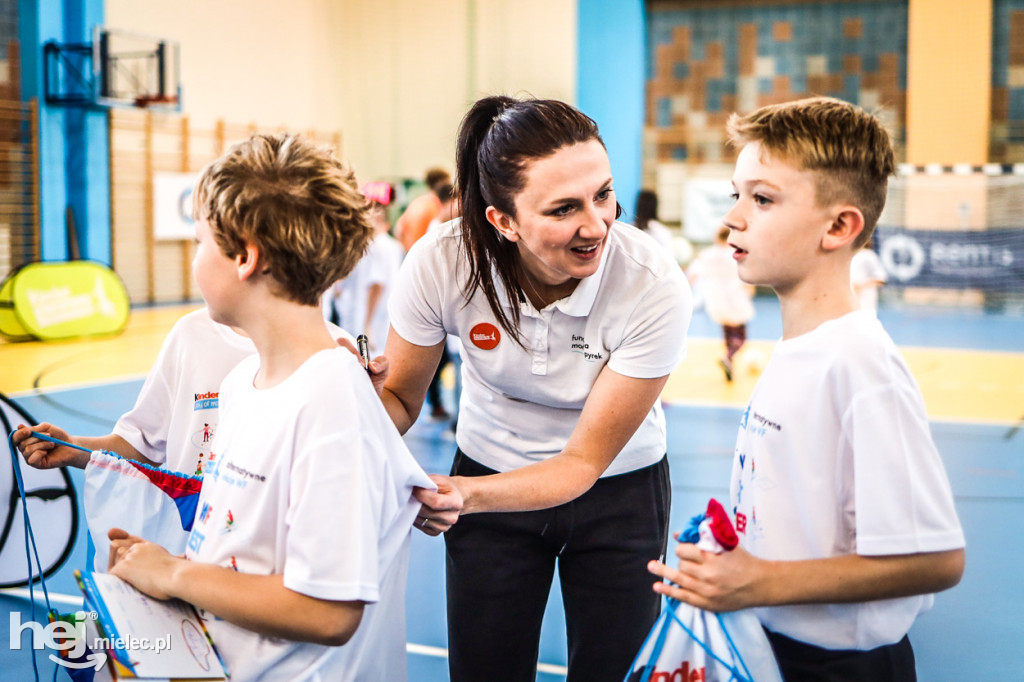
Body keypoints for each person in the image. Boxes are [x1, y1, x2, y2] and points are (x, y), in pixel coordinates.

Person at [647, 97, 965, 681]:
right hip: (767, 643)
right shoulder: (798, 350)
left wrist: (762, 581)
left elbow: (937, 559)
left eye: (762, 199)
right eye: (735, 195)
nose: (733, 219)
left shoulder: (859, 365)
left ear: (840, 226)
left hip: (838, 665)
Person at [97, 133, 432, 681]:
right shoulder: (239, 383)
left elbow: (327, 611)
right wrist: (166, 567)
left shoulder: (331, 403)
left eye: (201, 241)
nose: (195, 256)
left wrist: (173, 578)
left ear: (246, 256)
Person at [383, 95, 693, 682]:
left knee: (614, 670)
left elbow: (580, 464)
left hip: (617, 490)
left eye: (603, 194)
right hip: (489, 471)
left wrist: (465, 497)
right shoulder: (441, 262)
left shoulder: (652, 283)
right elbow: (397, 402)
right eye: (564, 209)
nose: (597, 224)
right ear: (503, 221)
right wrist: (336, 391)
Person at [686, 225, 756, 381]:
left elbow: (694, 274)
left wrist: (688, 289)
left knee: (727, 334)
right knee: (740, 336)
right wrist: (750, 289)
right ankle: (729, 357)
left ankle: (729, 361)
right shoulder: (735, 254)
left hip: (717, 300)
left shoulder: (706, 255)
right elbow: (747, 275)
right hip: (735, 299)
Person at [396, 166, 452, 253]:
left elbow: (398, 229)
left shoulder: (417, 202)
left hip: (410, 252)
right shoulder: (436, 205)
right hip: (423, 252)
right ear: (440, 183)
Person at [851, 238, 888, 315]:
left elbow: (881, 278)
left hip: (865, 298)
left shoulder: (869, 255)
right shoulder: (850, 255)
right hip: (852, 297)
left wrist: (861, 285)